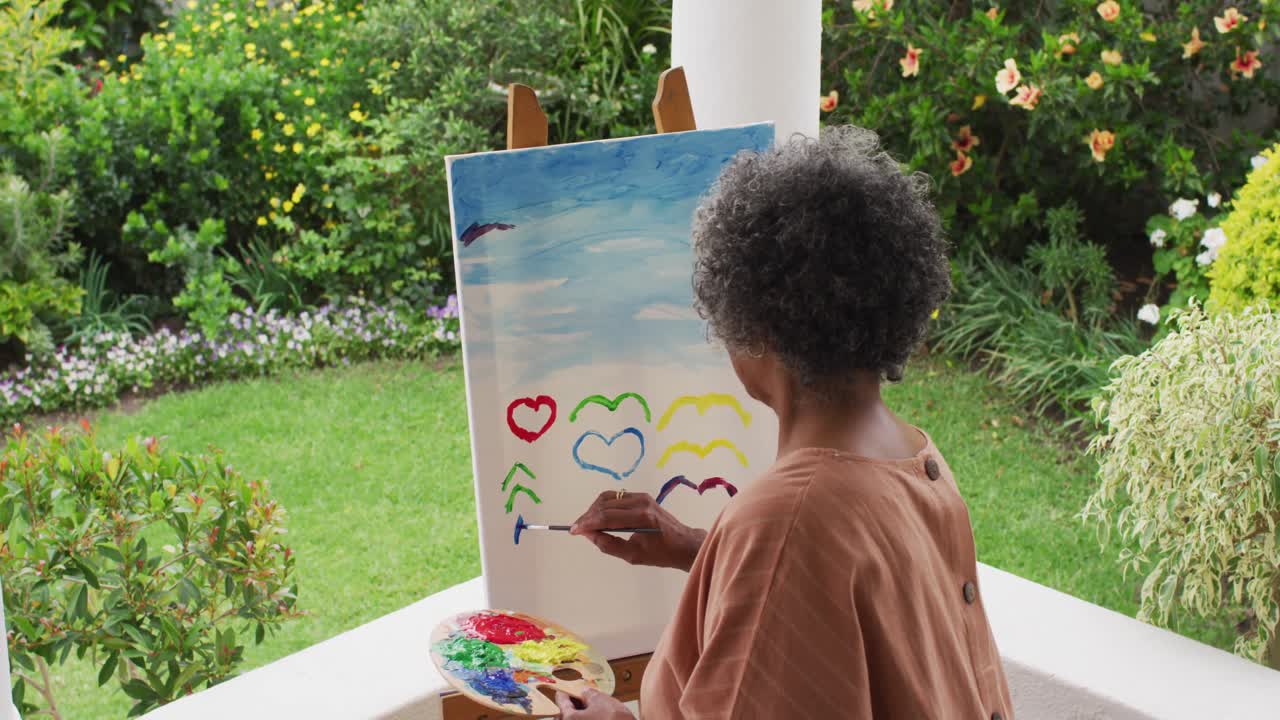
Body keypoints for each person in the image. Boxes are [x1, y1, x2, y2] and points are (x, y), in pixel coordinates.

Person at [553, 127, 1013, 719]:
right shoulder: (914, 461)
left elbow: (800, 553)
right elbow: (846, 605)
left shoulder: (787, 521)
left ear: (758, 328)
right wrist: (704, 550)